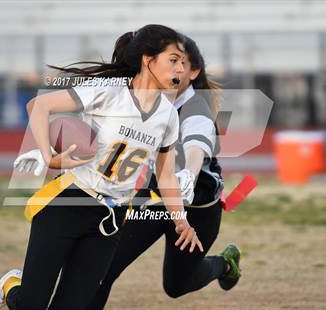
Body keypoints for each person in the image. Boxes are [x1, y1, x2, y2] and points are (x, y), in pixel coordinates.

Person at [0, 25, 203, 310]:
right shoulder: (110, 91)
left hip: (112, 219)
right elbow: (39, 106)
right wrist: (49, 156)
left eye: (182, 62)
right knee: (31, 304)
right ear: (148, 59)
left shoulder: (168, 115)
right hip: (70, 202)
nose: (180, 69)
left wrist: (181, 220)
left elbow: (166, 174)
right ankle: (11, 284)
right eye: (173, 60)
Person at [88, 36, 242, 309]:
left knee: (175, 286)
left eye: (181, 64)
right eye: (169, 62)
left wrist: (188, 177)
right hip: (156, 200)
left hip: (198, 209)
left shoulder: (198, 110)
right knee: (100, 270)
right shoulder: (149, 99)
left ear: (193, 72)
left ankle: (224, 265)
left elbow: (197, 146)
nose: (173, 70)